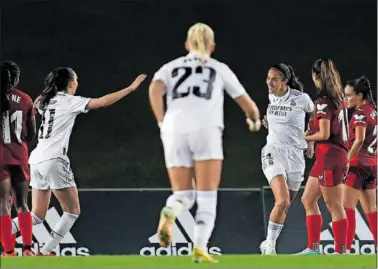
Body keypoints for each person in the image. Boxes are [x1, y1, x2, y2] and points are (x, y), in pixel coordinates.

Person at [149, 22, 261, 263]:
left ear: (187, 44)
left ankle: (171, 211)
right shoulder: (217, 67)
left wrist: (162, 121)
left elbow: (154, 89)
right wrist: (254, 120)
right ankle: (200, 248)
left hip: (173, 129)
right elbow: (248, 104)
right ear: (212, 46)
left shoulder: (171, 67)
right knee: (207, 195)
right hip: (206, 129)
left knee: (183, 194)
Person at [11, 67, 146, 256]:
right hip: (54, 159)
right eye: (76, 80)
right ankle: (45, 251)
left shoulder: (44, 101)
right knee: (72, 210)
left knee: (36, 215)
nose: (77, 84)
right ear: (71, 83)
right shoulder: (68, 101)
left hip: (36, 160)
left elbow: (38, 104)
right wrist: (130, 89)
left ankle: (7, 235)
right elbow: (102, 102)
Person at [259, 63, 315, 255]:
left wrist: (311, 141)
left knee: (286, 205)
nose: (269, 82)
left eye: (274, 79)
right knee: (281, 201)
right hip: (273, 151)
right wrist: (269, 124)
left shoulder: (301, 99)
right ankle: (270, 248)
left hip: (296, 156)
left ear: (284, 80)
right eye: (268, 79)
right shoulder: (271, 97)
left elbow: (315, 114)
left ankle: (268, 242)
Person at [297, 58, 348, 255]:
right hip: (326, 158)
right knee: (308, 199)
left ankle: (341, 252)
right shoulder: (338, 99)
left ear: (315, 76)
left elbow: (325, 134)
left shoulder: (324, 102)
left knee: (334, 205)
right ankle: (313, 249)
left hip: (331, 157)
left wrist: (304, 136)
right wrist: (310, 141)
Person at [0, 61, 36, 256]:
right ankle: (28, 248)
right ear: (16, 79)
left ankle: (9, 251)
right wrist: (20, 144)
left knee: (3, 206)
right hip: (19, 155)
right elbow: (31, 132)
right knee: (22, 204)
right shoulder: (25, 99)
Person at [343, 76, 377, 253]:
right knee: (371, 210)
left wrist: (346, 161)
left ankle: (346, 250)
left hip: (357, 165)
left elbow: (360, 139)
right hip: (372, 165)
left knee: (346, 207)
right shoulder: (373, 111)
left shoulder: (360, 113)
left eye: (349, 95)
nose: (346, 99)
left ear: (360, 95)